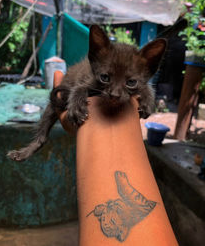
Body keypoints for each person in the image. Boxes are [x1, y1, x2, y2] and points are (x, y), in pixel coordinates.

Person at [54, 71, 178, 246]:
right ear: (123, 229)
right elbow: (125, 187)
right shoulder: (137, 207)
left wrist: (89, 125)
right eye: (110, 220)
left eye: (104, 219)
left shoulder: (125, 209)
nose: (106, 215)